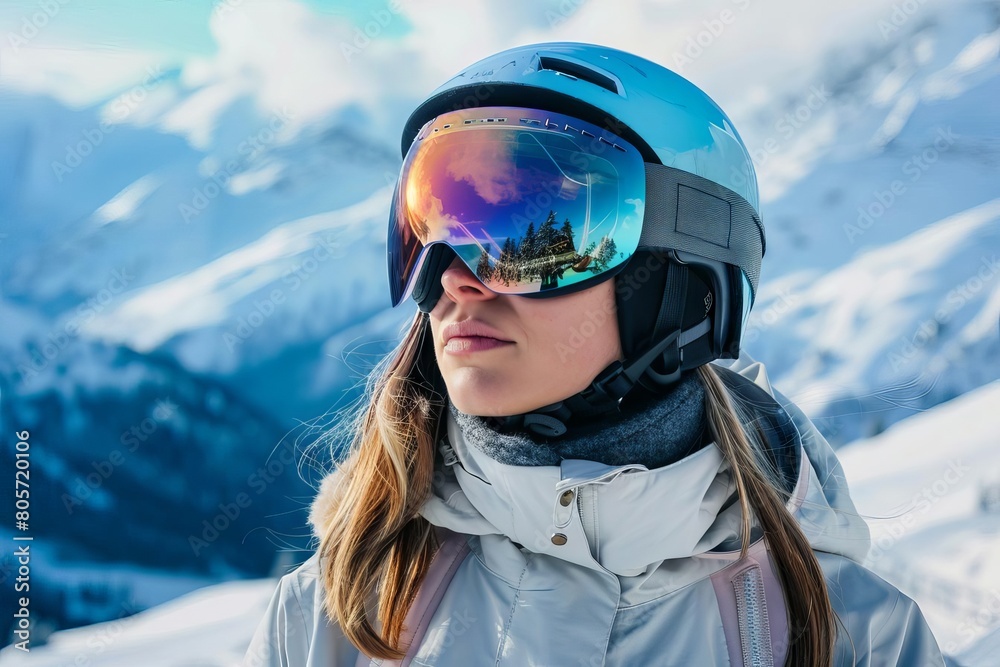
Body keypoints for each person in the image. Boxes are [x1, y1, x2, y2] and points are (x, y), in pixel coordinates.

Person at [244, 42, 946, 666]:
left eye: (529, 236)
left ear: (683, 283)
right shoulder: (332, 618)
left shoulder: (849, 637)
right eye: (431, 227)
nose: (452, 276)